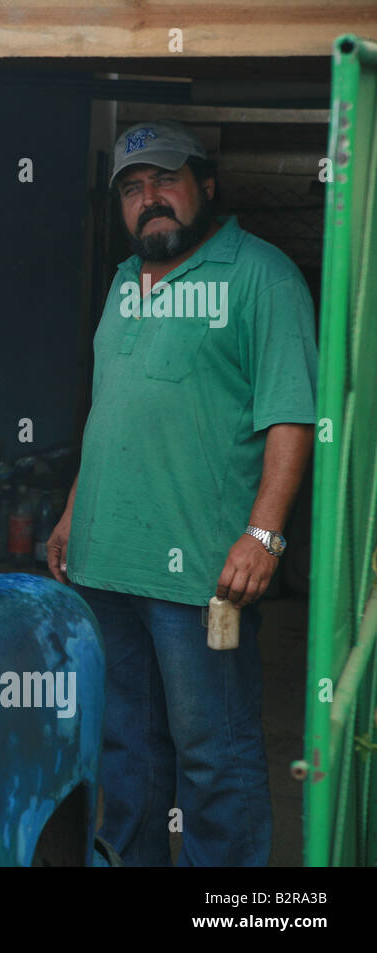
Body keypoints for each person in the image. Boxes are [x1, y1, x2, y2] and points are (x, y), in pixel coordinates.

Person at [47, 119, 318, 866]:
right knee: (126, 751)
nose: (150, 200)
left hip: (201, 573)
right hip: (106, 562)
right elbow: (113, 408)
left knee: (213, 756)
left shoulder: (262, 277)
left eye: (165, 181)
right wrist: (75, 512)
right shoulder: (121, 283)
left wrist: (264, 535)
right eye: (133, 189)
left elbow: (292, 414)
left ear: (206, 184)